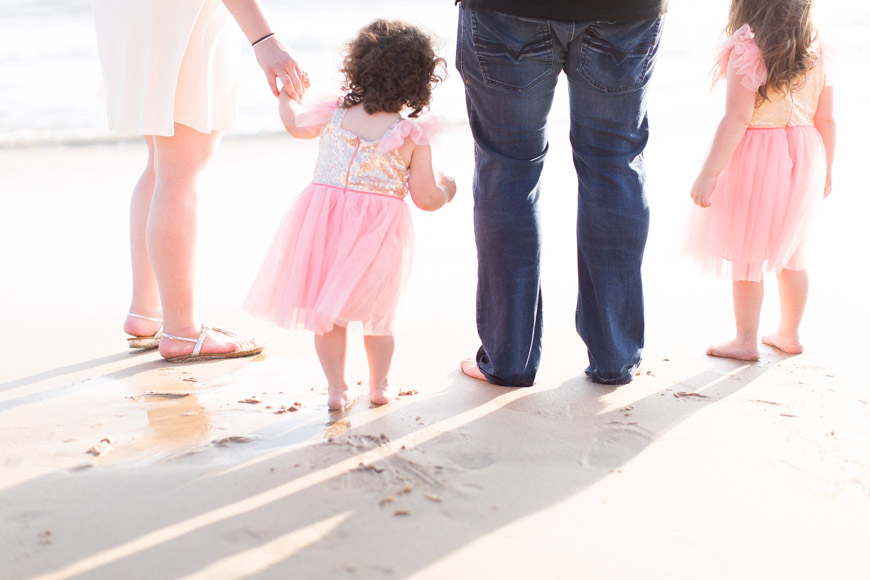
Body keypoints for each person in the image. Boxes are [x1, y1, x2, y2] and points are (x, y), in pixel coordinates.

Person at [243, 19, 457, 412]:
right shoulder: (412, 135)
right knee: (380, 315)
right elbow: (425, 198)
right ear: (420, 80)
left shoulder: (333, 114)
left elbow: (293, 123)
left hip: (322, 225)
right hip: (379, 234)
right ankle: (380, 386)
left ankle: (338, 391)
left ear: (357, 68)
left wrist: (287, 95)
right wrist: (447, 189)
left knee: (328, 314)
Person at [455, 0, 668, 386]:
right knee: (613, 165)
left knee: (508, 169)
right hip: (627, 12)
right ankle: (615, 356)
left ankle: (507, 359)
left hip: (506, 12)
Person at [93, 0, 309, 362]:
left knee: (164, 163)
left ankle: (147, 312)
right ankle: (181, 329)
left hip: (128, 13)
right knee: (180, 172)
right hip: (180, 15)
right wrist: (265, 39)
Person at [685, 0, 835, 361]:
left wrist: (709, 173)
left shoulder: (747, 48)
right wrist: (828, 169)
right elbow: (827, 119)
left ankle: (745, 340)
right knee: (793, 251)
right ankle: (789, 333)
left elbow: (737, 119)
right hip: (807, 152)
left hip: (759, 155)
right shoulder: (816, 48)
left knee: (747, 250)